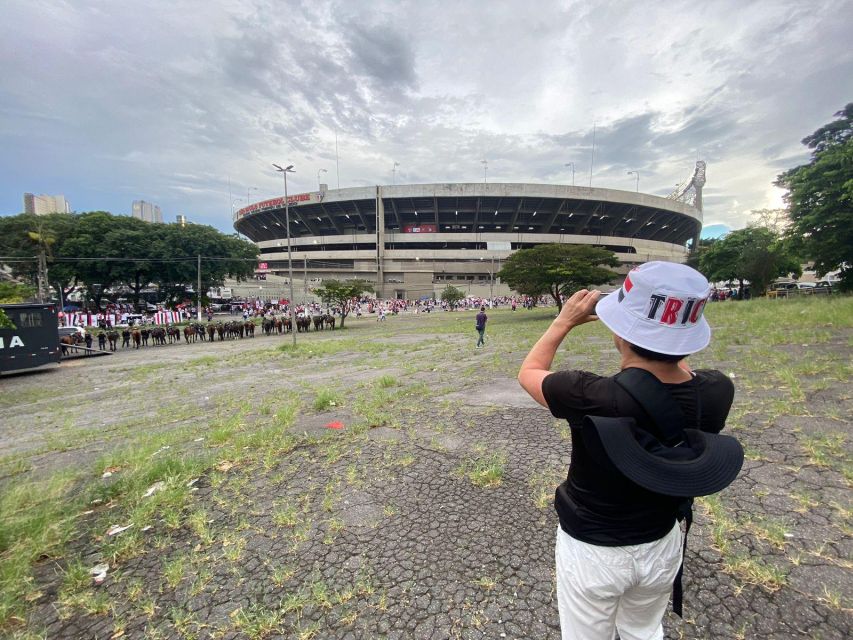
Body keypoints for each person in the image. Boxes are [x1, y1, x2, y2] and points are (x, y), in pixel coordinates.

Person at [518, 262, 739, 640]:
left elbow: (529, 372)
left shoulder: (588, 393)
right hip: (662, 541)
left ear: (621, 330)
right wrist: (667, 330)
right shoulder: (717, 391)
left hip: (593, 549)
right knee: (643, 630)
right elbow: (678, 374)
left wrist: (562, 322)